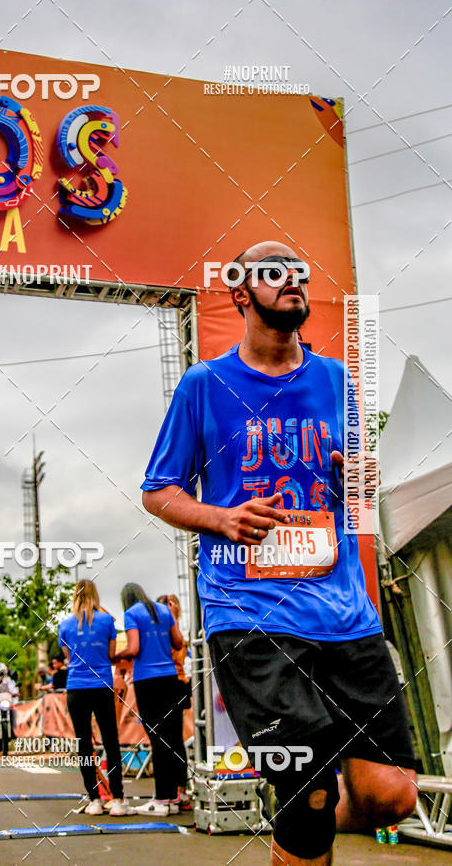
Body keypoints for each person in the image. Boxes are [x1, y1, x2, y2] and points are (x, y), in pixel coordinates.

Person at [141, 240, 417, 865]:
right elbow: (157, 491)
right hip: (251, 612)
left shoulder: (334, 377)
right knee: (308, 779)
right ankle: (306, 802)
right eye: (273, 272)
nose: (292, 280)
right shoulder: (203, 385)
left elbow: (351, 484)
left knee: (393, 797)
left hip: (343, 611)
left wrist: (360, 477)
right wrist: (221, 516)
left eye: (299, 272)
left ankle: (304, 812)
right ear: (241, 294)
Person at [59, 579, 135, 817]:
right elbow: (111, 654)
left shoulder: (65, 625)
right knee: (110, 740)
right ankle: (118, 798)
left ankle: (93, 799)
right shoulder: (106, 622)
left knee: (83, 743)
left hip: (76, 687)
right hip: (101, 683)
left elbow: (68, 658)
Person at [118, 583, 187, 816]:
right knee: (172, 737)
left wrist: (116, 655)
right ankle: (174, 796)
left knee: (156, 738)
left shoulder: (131, 614)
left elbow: (134, 648)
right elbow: (178, 641)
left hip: (147, 680)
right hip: (170, 677)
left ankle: (160, 800)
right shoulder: (163, 610)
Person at [157, 594, 192, 810]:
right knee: (169, 738)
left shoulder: (175, 633)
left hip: (175, 684)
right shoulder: (166, 631)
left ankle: (179, 790)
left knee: (173, 739)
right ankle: (174, 790)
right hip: (170, 683)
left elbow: (178, 654)